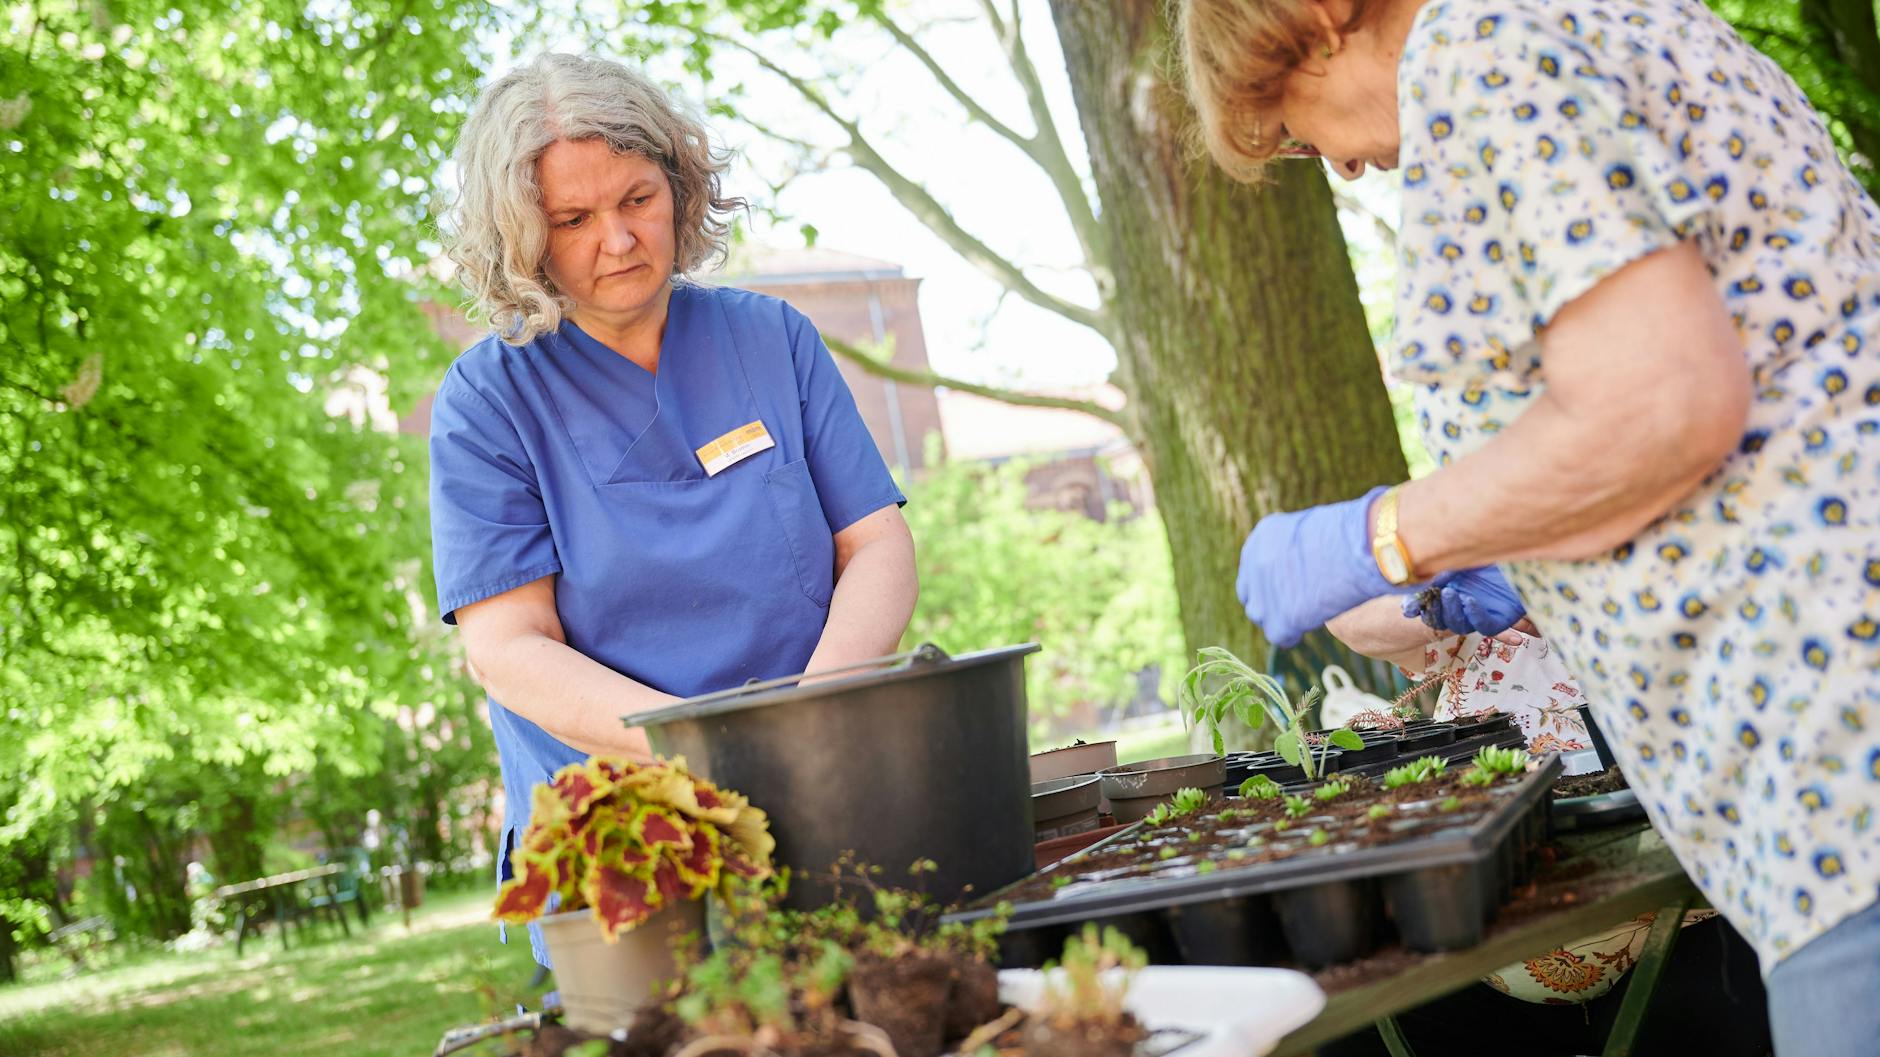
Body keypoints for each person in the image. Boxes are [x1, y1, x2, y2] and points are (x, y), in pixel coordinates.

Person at [1175, 0, 1880, 1051]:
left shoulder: (1481, 46)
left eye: (1286, 124)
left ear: (1317, 21)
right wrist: (1505, 562)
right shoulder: (1577, 17)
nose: (1331, 164)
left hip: (1834, 741)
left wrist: (1379, 536)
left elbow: (1660, 406)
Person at [430, 53, 918, 967]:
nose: (617, 239)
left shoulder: (773, 339)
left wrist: (803, 728)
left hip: (824, 792)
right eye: (573, 219)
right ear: (521, 235)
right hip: (629, 846)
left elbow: (878, 545)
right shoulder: (487, 401)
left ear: (682, 190)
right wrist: (706, 755)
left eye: (638, 199)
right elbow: (509, 646)